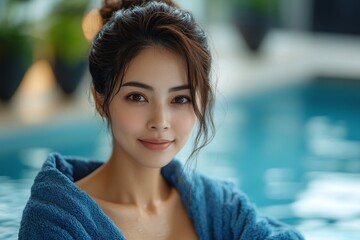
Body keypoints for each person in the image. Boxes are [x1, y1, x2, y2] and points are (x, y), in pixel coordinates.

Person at [19, 0, 304, 239]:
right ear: (100, 99)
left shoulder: (219, 206)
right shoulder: (58, 222)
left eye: (180, 99)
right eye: (137, 97)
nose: (160, 121)